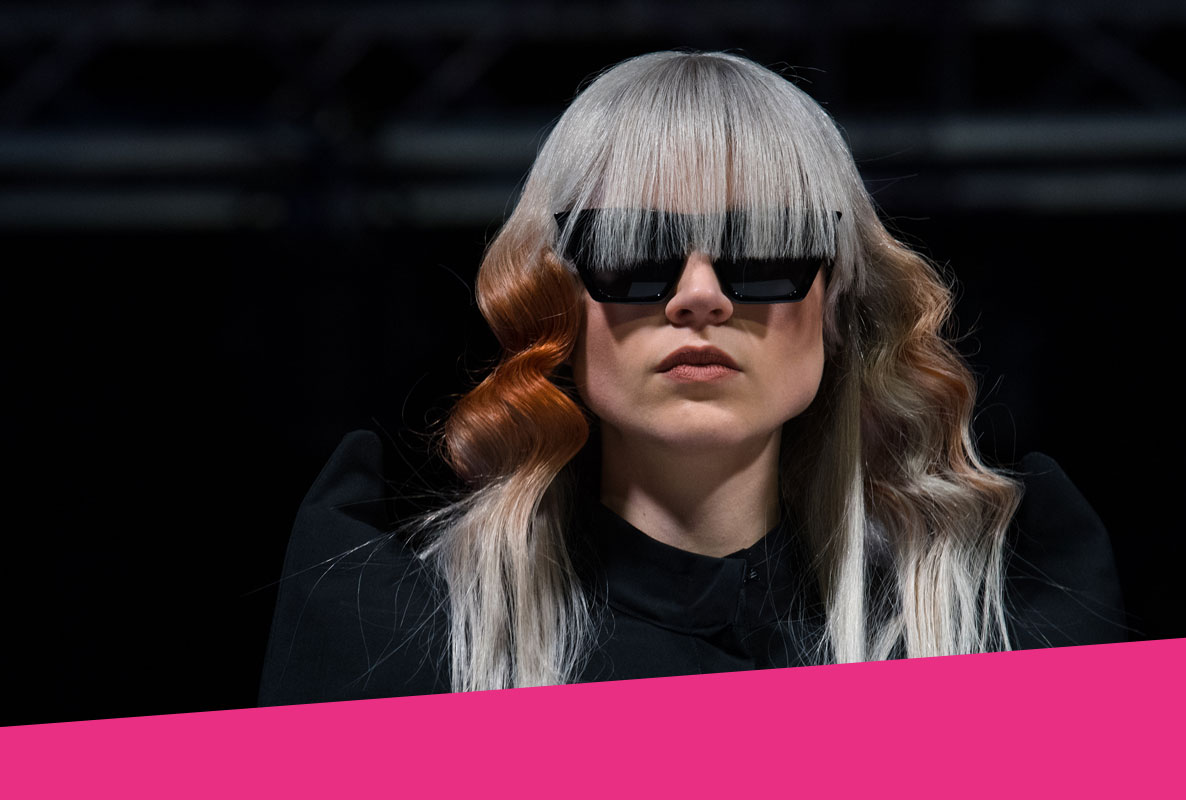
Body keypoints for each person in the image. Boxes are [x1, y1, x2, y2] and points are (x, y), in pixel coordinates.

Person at [259, 50, 1125, 705]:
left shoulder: (1001, 629)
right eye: (636, 251)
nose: (700, 296)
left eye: (765, 248)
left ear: (838, 301)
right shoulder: (403, 635)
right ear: (555, 302)